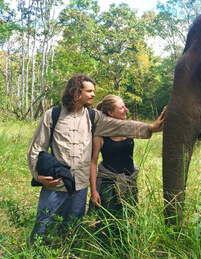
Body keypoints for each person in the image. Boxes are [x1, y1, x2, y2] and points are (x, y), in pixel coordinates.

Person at [27, 74, 165, 244]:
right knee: (44, 223)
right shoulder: (53, 115)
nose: (93, 94)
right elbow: (36, 148)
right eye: (89, 91)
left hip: (80, 186)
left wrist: (150, 128)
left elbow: (121, 125)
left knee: (73, 227)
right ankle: (36, 252)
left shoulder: (93, 117)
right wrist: (37, 175)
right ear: (76, 92)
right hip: (56, 183)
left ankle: (69, 253)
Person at [89, 95, 144, 216]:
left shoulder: (128, 128)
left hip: (129, 182)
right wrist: (94, 191)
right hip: (108, 184)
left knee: (129, 222)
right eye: (121, 108)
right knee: (109, 223)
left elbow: (149, 129)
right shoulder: (100, 134)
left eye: (124, 106)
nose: (126, 109)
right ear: (110, 112)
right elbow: (93, 162)